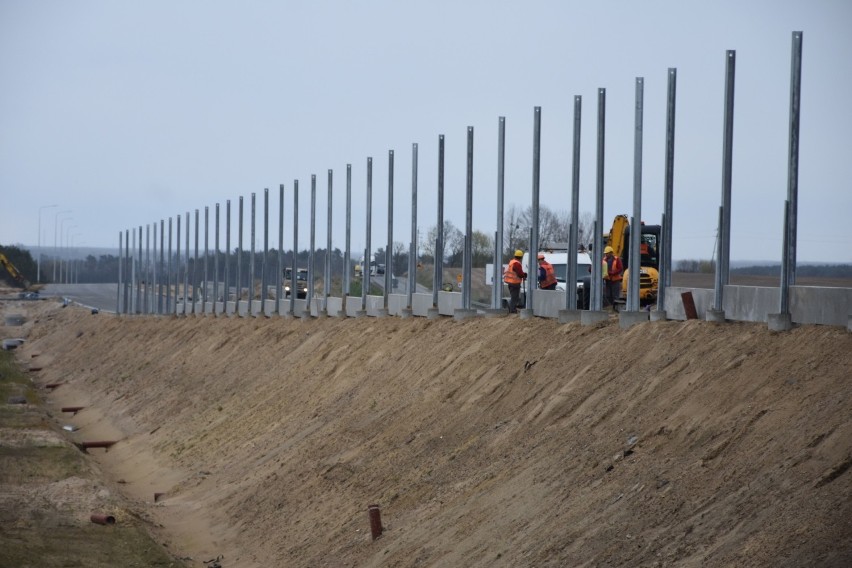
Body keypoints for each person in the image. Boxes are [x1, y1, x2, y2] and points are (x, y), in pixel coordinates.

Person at [503, 249, 527, 313]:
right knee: (514, 297)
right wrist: (524, 275)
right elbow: (520, 273)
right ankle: (512, 310)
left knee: (513, 297)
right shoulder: (517, 264)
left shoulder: (512, 262)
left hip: (510, 282)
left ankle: (512, 309)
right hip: (514, 283)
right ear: (521, 257)